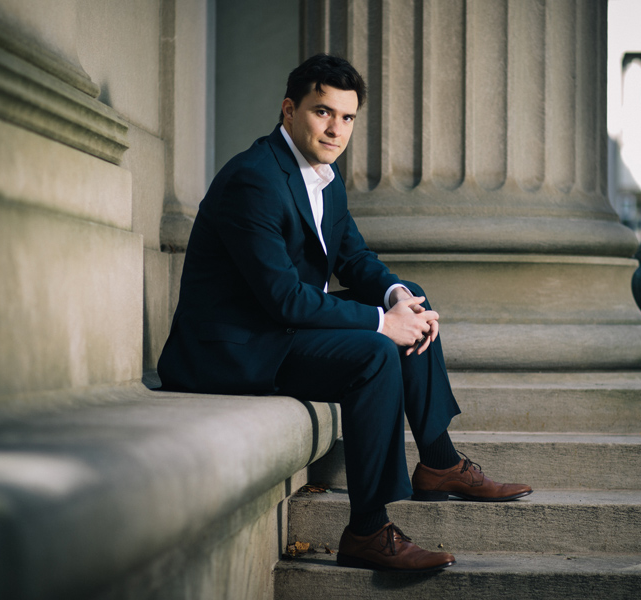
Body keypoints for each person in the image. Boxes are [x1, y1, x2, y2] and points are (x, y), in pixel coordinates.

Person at [157, 53, 532, 573]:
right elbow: (284, 298)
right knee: (376, 353)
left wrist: (397, 296)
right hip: (238, 348)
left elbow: (353, 258)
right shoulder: (255, 179)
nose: (336, 129)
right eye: (322, 112)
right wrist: (382, 323)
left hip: (281, 331)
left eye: (348, 117)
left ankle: (439, 463)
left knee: (412, 297)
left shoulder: (322, 175)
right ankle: (367, 530)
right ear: (289, 111)